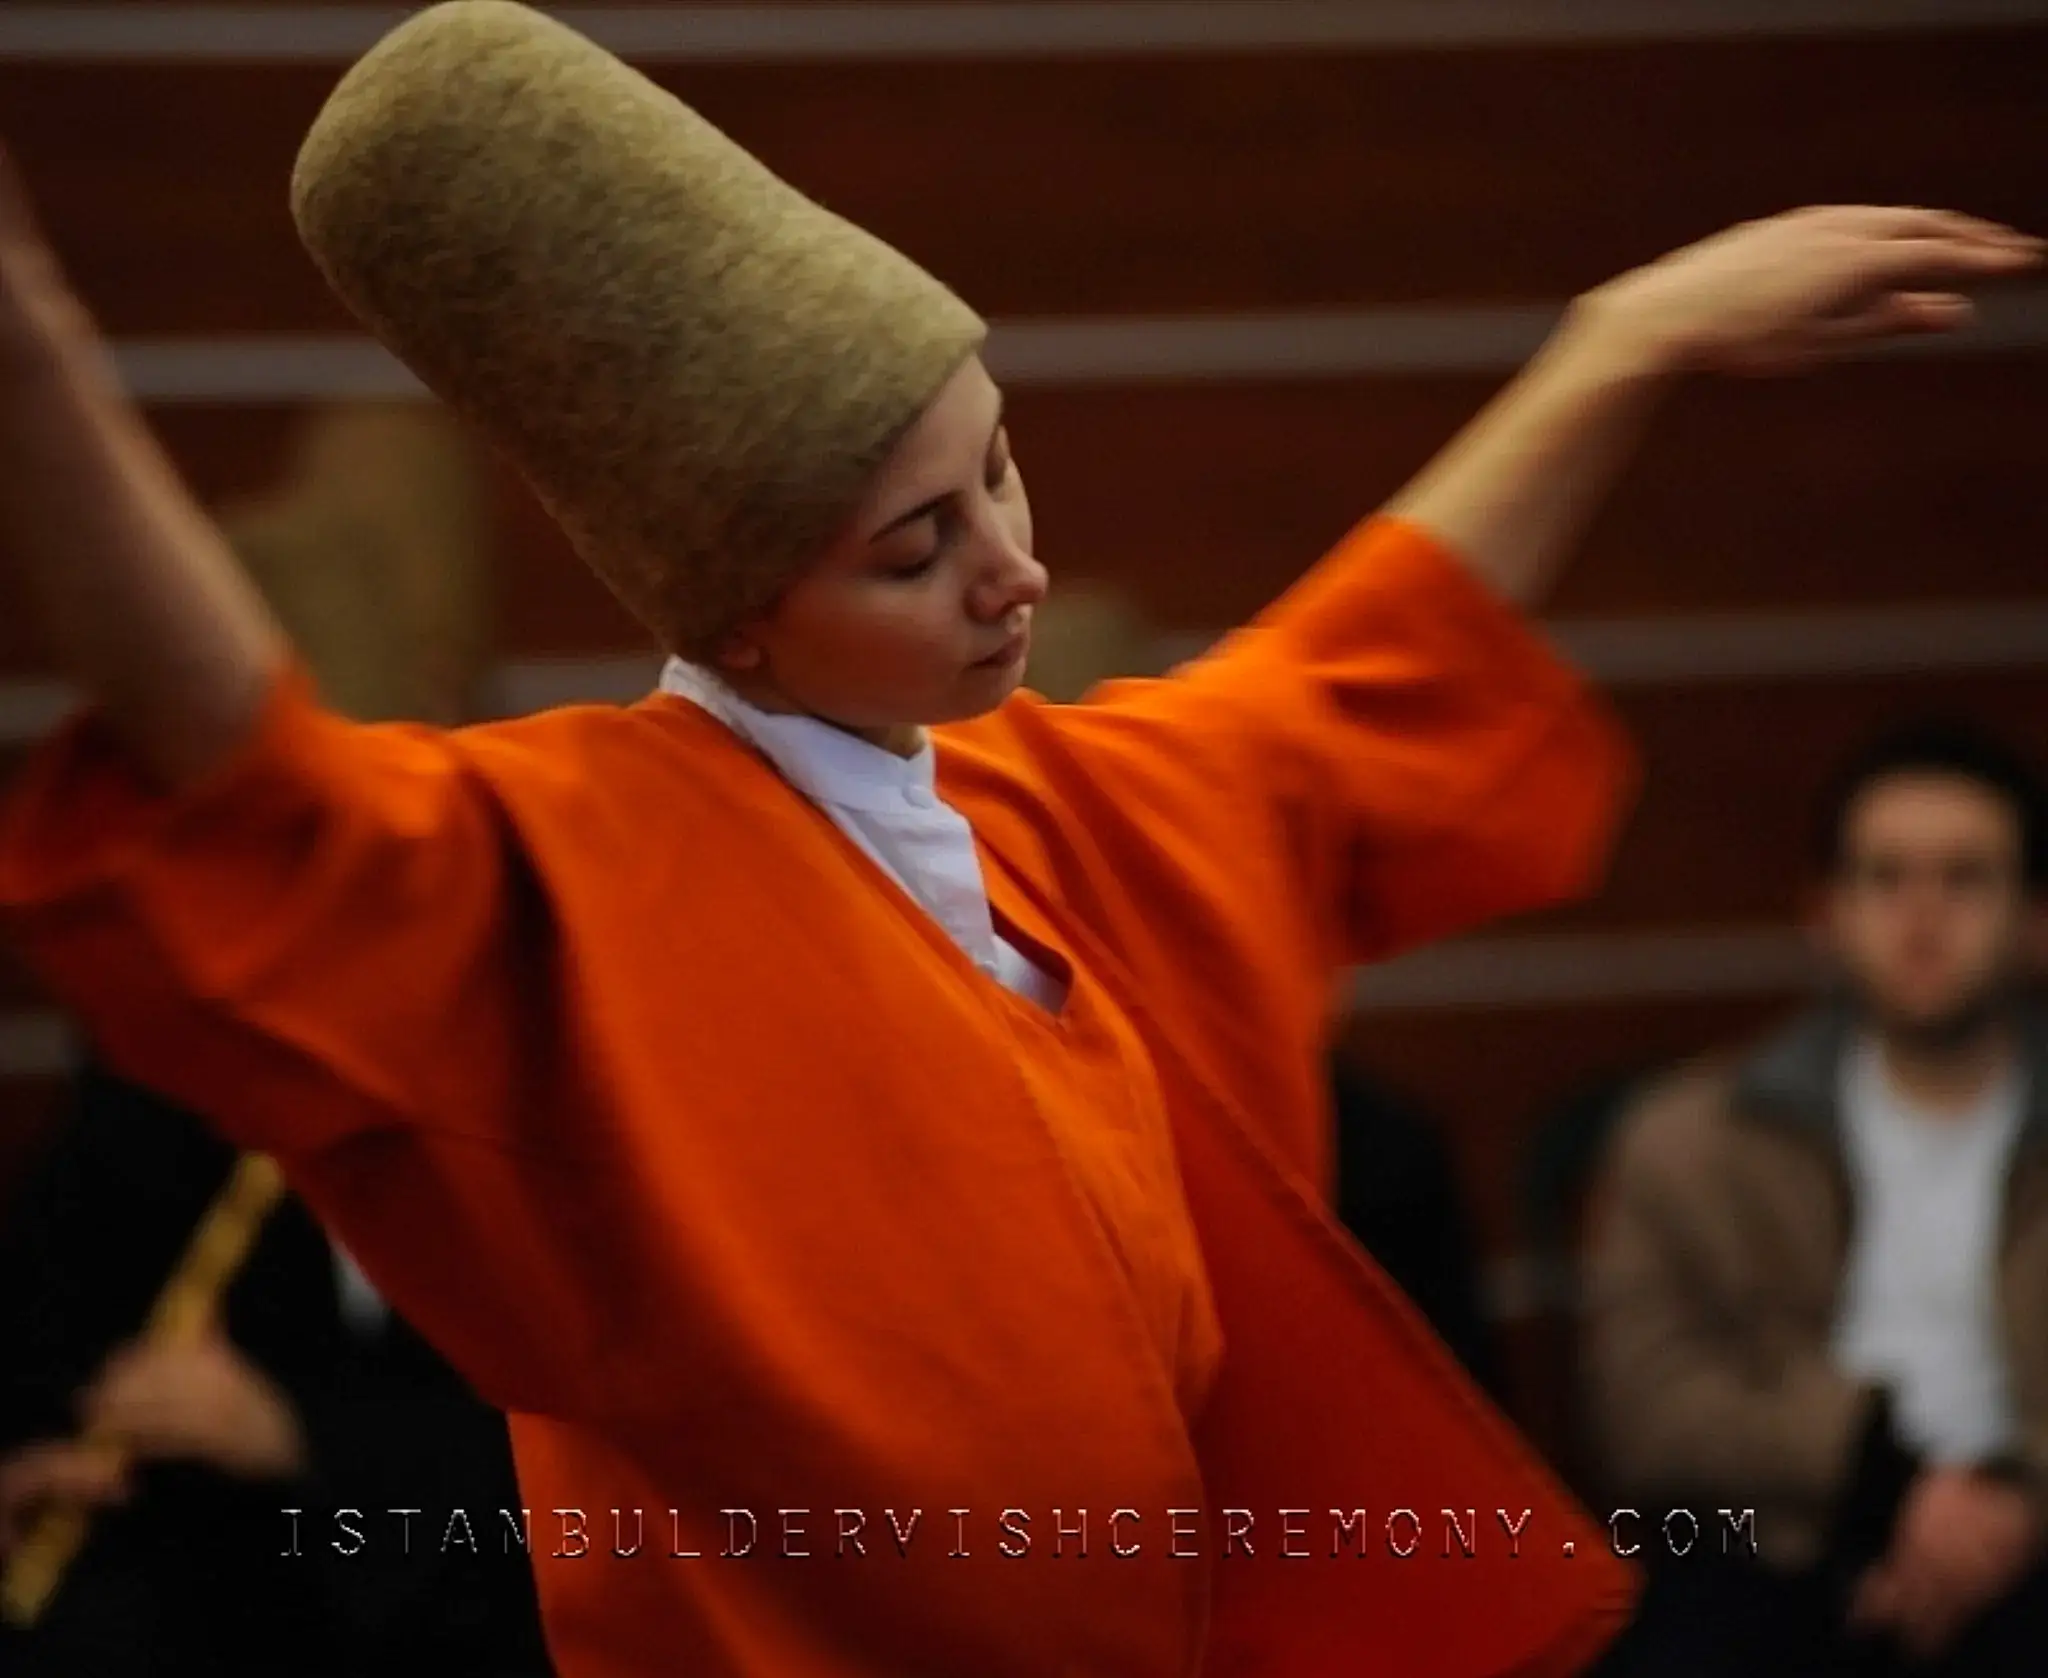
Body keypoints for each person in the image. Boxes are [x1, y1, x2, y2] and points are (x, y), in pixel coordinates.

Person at [0, 3, 2035, 1672]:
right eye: (916, 546)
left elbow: (1347, 665)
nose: (1013, 569)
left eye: (1002, 467)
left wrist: (1619, 344)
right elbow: (251, 785)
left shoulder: (1028, 798)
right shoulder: (590, 861)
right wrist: (35, 362)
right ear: (736, 618)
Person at [1581, 721, 2048, 1677]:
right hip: (1777, 1545)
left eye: (1965, 878)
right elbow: (1648, 1404)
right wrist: (1882, 1477)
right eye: (1885, 877)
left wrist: (2017, 1501)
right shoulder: (1693, 1138)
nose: (1923, 916)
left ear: (2037, 919)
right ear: (1824, 914)